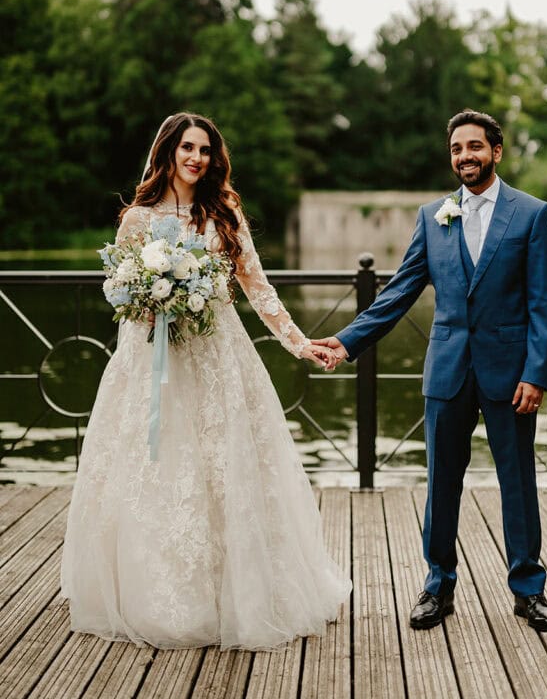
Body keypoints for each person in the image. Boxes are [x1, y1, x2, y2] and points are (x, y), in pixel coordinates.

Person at [61, 112, 350, 650]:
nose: (197, 158)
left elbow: (258, 288)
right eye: (188, 148)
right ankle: (161, 593)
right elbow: (121, 296)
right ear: (167, 152)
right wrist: (153, 298)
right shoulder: (136, 220)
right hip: (150, 361)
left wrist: (299, 343)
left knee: (226, 468)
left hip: (218, 355)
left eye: (206, 150)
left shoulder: (224, 212)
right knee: (158, 467)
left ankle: (238, 591)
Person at [317, 109, 547, 633]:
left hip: (511, 371)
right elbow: (399, 292)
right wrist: (345, 340)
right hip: (447, 369)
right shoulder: (434, 216)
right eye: (456, 149)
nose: (464, 156)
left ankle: (528, 589)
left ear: (496, 151)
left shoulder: (532, 214)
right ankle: (438, 584)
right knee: (441, 482)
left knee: (517, 482)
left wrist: (537, 374)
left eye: (475, 146)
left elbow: (544, 304)